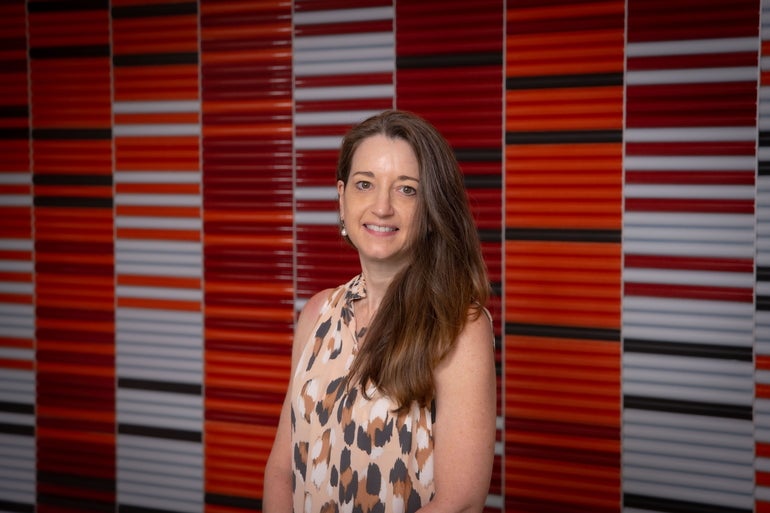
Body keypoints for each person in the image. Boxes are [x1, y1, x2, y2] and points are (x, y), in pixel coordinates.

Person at [263, 109, 496, 512]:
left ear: (431, 208)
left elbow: (461, 502)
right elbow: (282, 471)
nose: (382, 207)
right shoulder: (316, 314)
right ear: (341, 198)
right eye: (365, 184)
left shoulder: (458, 326)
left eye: (407, 189)